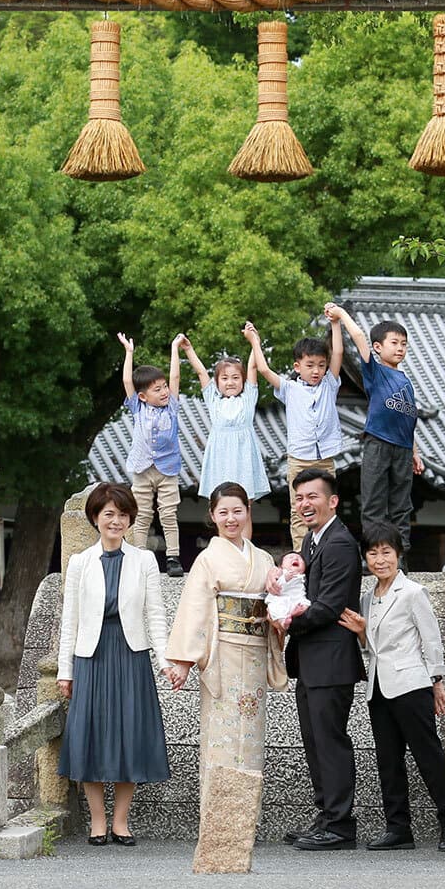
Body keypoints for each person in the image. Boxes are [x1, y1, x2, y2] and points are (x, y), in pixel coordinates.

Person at [165, 482, 287, 825]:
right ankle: (218, 820)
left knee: (250, 739)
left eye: (237, 511)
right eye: (223, 512)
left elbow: (276, 604)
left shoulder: (263, 559)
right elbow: (196, 609)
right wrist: (185, 661)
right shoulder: (208, 559)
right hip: (223, 655)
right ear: (212, 516)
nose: (231, 518)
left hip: (257, 652)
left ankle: (245, 821)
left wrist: (281, 618)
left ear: (248, 512)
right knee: (222, 736)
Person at [338, 521, 445, 852]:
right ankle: (398, 828)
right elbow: (371, 648)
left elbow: (431, 640)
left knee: (428, 756)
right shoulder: (367, 599)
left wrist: (436, 681)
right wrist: (362, 632)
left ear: (398, 554)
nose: (380, 560)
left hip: (411, 684)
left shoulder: (412, 592)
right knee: (388, 760)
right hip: (379, 687)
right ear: (366, 558)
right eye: (373, 553)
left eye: (386, 552)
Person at [56, 483, 171, 845]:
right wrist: (65, 669)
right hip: (91, 655)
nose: (116, 521)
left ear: (130, 519)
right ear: (95, 518)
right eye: (109, 514)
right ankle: (96, 821)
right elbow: (69, 620)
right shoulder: (79, 562)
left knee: (130, 734)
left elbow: (156, 615)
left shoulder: (145, 560)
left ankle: (121, 821)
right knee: (90, 734)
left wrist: (166, 660)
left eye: (123, 515)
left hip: (131, 652)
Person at [278, 467, 363, 851]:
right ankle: (326, 816)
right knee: (314, 742)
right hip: (311, 661)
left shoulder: (340, 543)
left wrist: (283, 620)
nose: (304, 504)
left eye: (312, 496)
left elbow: (328, 606)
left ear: (332, 501)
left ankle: (341, 825)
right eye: (299, 498)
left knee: (330, 742)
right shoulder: (312, 542)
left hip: (330, 660)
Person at [253, 306, 346, 550]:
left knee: (327, 508)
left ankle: (326, 551)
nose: (316, 371)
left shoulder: (329, 385)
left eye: (321, 365)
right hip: (299, 458)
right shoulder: (290, 389)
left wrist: (335, 323)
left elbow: (338, 352)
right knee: (299, 511)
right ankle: (301, 555)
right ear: (297, 366)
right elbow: (264, 370)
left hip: (325, 458)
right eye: (310, 365)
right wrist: (255, 342)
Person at [336, 309, 423, 560]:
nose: (400, 348)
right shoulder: (375, 371)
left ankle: (399, 558)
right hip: (378, 443)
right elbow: (359, 336)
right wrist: (341, 314)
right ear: (378, 347)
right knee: (374, 504)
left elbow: (407, 419)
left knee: (401, 507)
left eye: (404, 344)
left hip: (403, 449)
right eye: (394, 343)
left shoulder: (405, 381)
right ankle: (373, 556)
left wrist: (415, 452)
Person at [118, 331, 187, 576]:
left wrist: (174, 348)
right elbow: (128, 382)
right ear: (143, 396)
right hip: (142, 468)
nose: (164, 391)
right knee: (142, 514)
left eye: (164, 386)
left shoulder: (172, 406)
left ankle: (173, 557)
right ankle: (138, 556)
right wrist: (129, 353)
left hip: (168, 469)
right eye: (157, 389)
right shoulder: (137, 408)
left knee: (169, 514)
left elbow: (176, 375)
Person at [182, 328, 268, 502]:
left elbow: (253, 366)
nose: (230, 382)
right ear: (217, 382)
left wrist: (254, 341)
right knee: (219, 502)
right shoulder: (213, 400)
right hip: (220, 457)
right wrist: (188, 349)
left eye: (236, 377)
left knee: (245, 503)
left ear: (243, 381)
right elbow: (201, 372)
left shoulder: (248, 399)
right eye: (225, 378)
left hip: (243, 457)